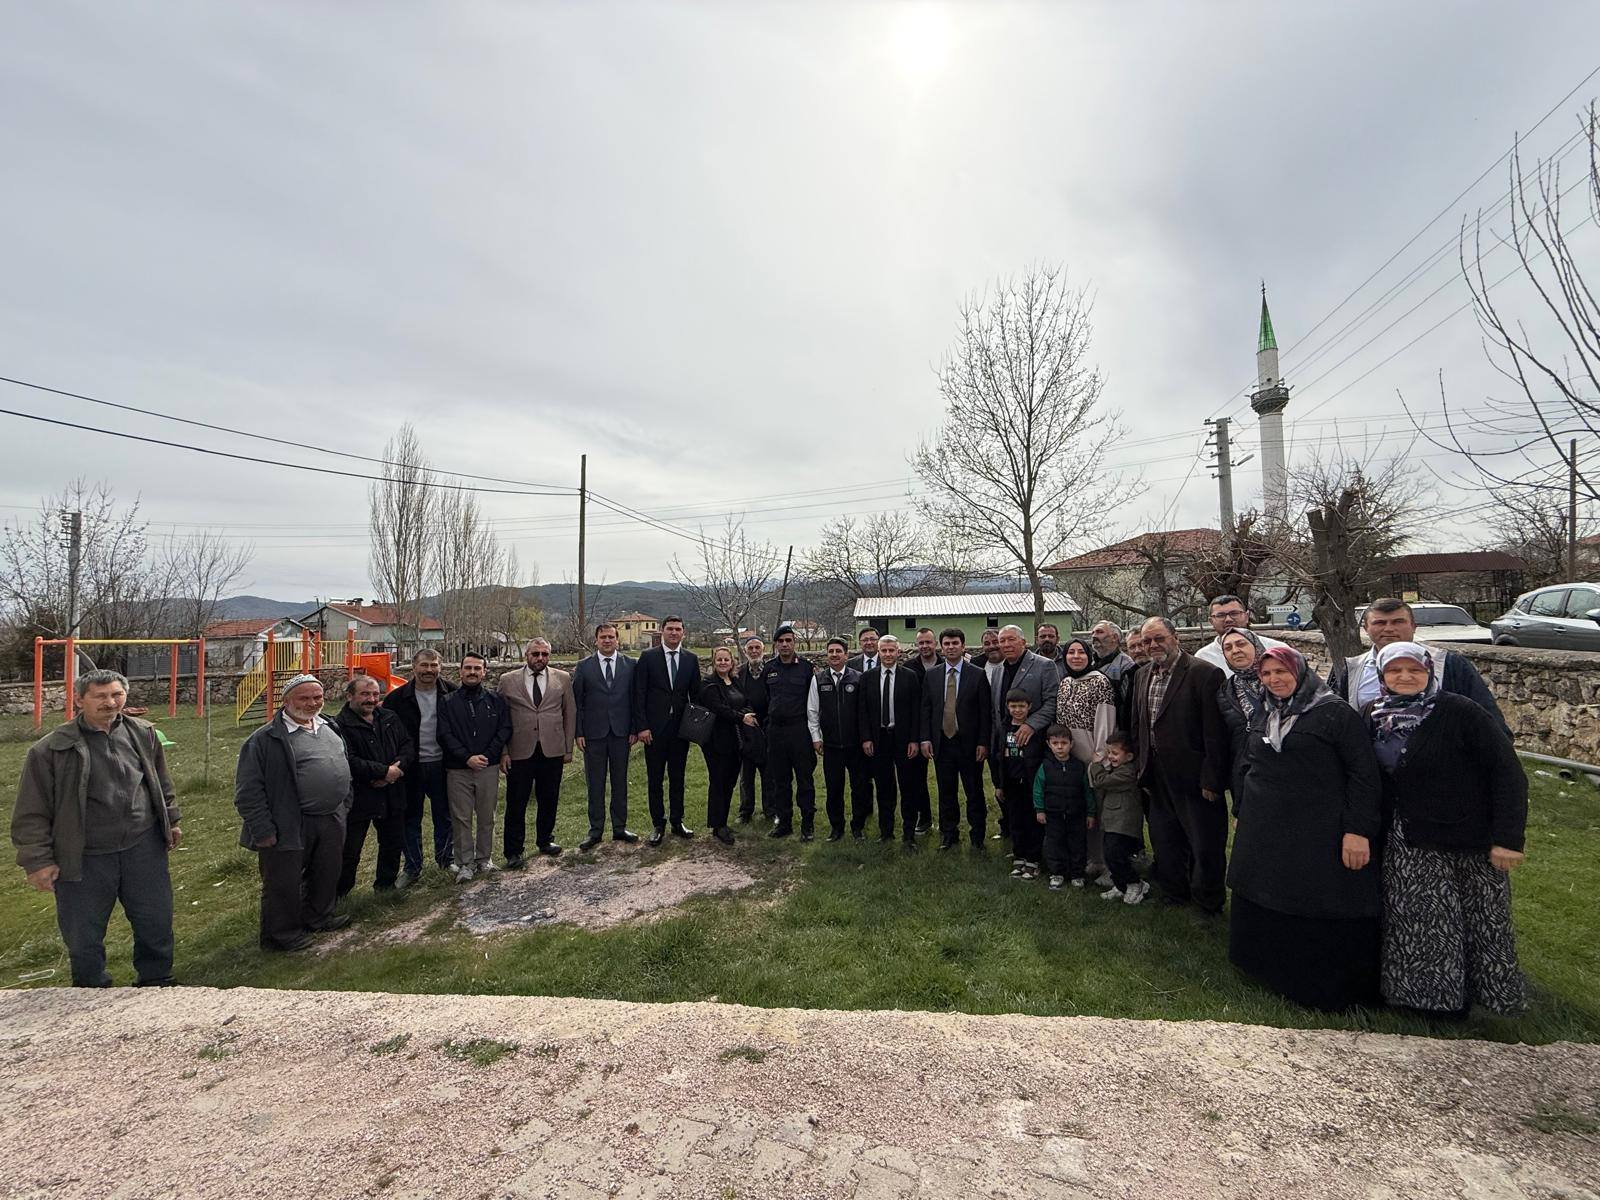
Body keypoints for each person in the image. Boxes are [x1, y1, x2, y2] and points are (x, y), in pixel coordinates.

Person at [1365, 642, 1528, 1016]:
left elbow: (1507, 773)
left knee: (1480, 922)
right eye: (1395, 671)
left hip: (1465, 836)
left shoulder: (1460, 711)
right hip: (1409, 838)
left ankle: (1482, 998)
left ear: (1429, 672)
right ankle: (1426, 1002)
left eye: (1414, 670)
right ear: (1382, 675)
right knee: (1420, 922)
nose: (1405, 677)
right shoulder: (1373, 715)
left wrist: (1508, 838)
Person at [1226, 646, 1382, 1011]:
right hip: (1267, 826)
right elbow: (1250, 761)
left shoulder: (1334, 713)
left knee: (1314, 898)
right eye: (1266, 674)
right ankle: (1266, 968)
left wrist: (1358, 829)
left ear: (1300, 672)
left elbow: (1363, 775)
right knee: (1268, 892)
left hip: (1317, 827)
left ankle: (1314, 983)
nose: (1274, 680)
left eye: (1281, 672)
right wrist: (1243, 808)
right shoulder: (1266, 710)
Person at [12, 669, 180, 986]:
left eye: (117, 694)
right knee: (83, 935)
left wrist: (170, 819)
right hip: (84, 856)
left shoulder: (143, 733)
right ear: (79, 700)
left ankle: (157, 982)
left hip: (142, 847)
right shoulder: (50, 750)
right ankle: (90, 990)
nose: (110, 702)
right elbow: (31, 812)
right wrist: (37, 861)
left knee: (155, 922)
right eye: (100, 696)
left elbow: (160, 782)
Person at [234, 673, 352, 952]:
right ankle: (281, 935)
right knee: (283, 881)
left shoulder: (329, 726)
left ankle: (319, 917)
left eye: (317, 697)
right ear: (286, 701)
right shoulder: (265, 739)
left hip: (331, 816)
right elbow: (248, 791)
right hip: (288, 820)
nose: (312, 703)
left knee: (326, 871)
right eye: (304, 698)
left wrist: (345, 802)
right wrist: (262, 830)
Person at [1129, 617, 1230, 913]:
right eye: (1147, 641)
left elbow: (1215, 733)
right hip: (1156, 774)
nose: (1153, 645)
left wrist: (1212, 779)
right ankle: (1174, 894)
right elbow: (1138, 725)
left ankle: (1207, 904)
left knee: (1204, 843)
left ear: (1175, 637)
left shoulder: (1204, 674)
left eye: (1159, 638)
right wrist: (1141, 766)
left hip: (1194, 776)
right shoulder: (1142, 674)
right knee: (1165, 839)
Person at [1330, 598, 1508, 735]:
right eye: (1380, 623)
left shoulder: (1448, 664)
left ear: (1414, 626)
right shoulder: (1353, 669)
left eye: (1398, 622)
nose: (1389, 628)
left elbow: (1489, 721)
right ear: (1366, 629)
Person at [381, 648, 456, 886]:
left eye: (434, 665)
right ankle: (412, 867)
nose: (429, 670)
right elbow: (386, 735)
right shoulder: (396, 699)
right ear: (414, 667)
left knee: (444, 815)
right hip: (410, 767)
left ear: (440, 667)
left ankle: (446, 859)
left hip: (442, 764)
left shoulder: (452, 693)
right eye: (424, 665)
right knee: (410, 817)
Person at [498, 638, 575, 864]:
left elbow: (569, 713)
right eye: (536, 654)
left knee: (549, 797)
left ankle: (545, 840)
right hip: (519, 750)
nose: (540, 658)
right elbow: (500, 719)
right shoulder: (507, 680)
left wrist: (568, 748)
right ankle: (513, 851)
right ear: (526, 655)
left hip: (552, 749)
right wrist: (503, 751)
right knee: (516, 802)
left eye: (544, 654)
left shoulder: (563, 678)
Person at [334, 675, 413, 896]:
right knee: (350, 849)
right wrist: (383, 772)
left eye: (375, 694)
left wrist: (395, 770)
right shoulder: (339, 725)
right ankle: (340, 894)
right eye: (365, 694)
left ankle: (385, 887)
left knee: (392, 843)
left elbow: (407, 745)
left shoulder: (389, 717)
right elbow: (348, 759)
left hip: (392, 792)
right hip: (360, 795)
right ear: (350, 696)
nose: (371, 699)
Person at [438, 652, 512, 881]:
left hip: (487, 767)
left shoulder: (496, 700)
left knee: (487, 815)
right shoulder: (447, 702)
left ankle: (484, 859)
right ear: (460, 671)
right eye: (468, 668)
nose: (472, 672)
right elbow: (444, 734)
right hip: (458, 769)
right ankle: (465, 863)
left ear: (484, 672)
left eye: (477, 668)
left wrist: (488, 756)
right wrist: (466, 757)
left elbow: (504, 729)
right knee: (461, 818)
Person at [919, 628, 993, 850]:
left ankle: (977, 836)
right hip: (943, 743)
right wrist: (925, 739)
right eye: (947, 644)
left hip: (969, 744)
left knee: (974, 792)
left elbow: (985, 712)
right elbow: (926, 709)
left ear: (963, 646)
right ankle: (949, 835)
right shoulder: (932, 675)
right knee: (946, 792)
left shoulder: (977, 674)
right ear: (941, 647)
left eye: (955, 643)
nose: (951, 647)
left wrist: (983, 742)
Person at [571, 623, 642, 851]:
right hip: (594, 734)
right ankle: (595, 831)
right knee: (595, 783)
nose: (607, 640)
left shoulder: (630, 665)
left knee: (620, 782)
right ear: (596, 640)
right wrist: (579, 732)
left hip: (621, 733)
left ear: (617, 640)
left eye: (611, 637)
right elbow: (578, 703)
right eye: (603, 637)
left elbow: (635, 700)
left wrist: (634, 728)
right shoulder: (584, 666)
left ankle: (620, 827)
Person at [633, 616, 700, 845]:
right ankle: (658, 824)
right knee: (655, 779)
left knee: (678, 778)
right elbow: (639, 694)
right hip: (654, 730)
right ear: (662, 631)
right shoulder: (648, 657)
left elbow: (696, 696)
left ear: (683, 633)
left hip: (680, 731)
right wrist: (642, 726)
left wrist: (694, 728)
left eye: (678, 629)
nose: (673, 632)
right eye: (670, 629)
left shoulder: (691, 659)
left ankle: (677, 821)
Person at [989, 625, 1059, 843]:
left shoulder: (1044, 666)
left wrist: (1030, 725)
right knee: (1009, 791)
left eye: (1011, 639)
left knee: (1032, 794)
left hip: (1032, 742)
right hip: (1005, 741)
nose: (1006, 644)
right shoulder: (999, 669)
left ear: (1023, 641)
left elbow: (1052, 701)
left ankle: (1037, 843)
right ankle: (1015, 836)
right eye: (1002, 641)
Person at [1057, 635, 1118, 881]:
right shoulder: (1065, 683)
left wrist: (1100, 756)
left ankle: (1109, 865)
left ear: (1089, 656)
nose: (1076, 657)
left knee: (1101, 811)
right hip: (1070, 756)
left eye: (1081, 652)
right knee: (1084, 811)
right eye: (1071, 653)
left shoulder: (1100, 682)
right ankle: (1092, 858)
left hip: (1094, 755)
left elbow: (1105, 720)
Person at [858, 634, 924, 845]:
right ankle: (886, 832)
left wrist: (914, 740)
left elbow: (916, 711)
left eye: (891, 650)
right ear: (878, 652)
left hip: (903, 739)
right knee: (884, 787)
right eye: (884, 651)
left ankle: (908, 834)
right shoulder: (867, 677)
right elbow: (863, 711)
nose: (887, 654)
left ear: (898, 652)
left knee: (908, 787)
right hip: (879, 739)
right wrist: (866, 738)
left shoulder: (910, 676)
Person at [757, 625, 818, 839]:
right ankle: (784, 823)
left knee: (804, 779)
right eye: (781, 641)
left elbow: (813, 701)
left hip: (799, 730)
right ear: (775, 644)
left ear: (795, 643)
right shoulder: (769, 669)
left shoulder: (806, 668)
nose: (785, 644)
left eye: (788, 640)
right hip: (776, 731)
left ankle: (807, 825)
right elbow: (765, 698)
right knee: (780, 780)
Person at [808, 637, 870, 840]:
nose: (834, 655)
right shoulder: (818, 679)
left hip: (855, 745)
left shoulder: (858, 678)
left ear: (846, 655)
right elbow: (812, 711)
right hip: (831, 746)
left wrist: (865, 738)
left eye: (838, 651)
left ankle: (858, 827)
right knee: (834, 789)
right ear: (827, 655)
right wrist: (816, 738)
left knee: (859, 788)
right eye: (831, 651)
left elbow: (865, 712)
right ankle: (837, 828)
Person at [698, 647, 754, 845]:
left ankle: (722, 821)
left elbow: (746, 701)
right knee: (718, 782)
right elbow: (719, 709)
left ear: (732, 662)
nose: (723, 663)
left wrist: (745, 713)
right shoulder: (709, 684)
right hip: (716, 742)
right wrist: (742, 717)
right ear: (714, 662)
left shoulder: (735, 681)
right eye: (719, 660)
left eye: (726, 660)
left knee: (730, 781)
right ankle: (717, 825)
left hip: (735, 740)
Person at [1088, 733, 1147, 904]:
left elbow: (1101, 781)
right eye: (1109, 752)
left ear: (1128, 756)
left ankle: (1135, 883)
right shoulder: (1117, 769)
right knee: (1110, 854)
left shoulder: (1127, 773)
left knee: (1115, 854)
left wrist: (1095, 765)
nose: (1110, 757)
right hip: (1113, 822)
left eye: (1115, 753)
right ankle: (1121, 886)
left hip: (1123, 824)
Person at [1215, 628, 1269, 811]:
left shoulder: (1280, 679)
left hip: (1284, 770)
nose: (1235, 650)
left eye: (1241, 644)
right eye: (1228, 648)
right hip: (1246, 775)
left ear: (1256, 646)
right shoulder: (1226, 691)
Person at [1032, 724, 1088, 889]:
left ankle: (1077, 874)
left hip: (1076, 814)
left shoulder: (1079, 766)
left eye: (1064, 743)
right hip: (1053, 814)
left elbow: (1087, 791)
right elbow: (1038, 789)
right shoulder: (1045, 766)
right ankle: (1057, 873)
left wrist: (1090, 813)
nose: (1060, 747)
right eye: (1055, 743)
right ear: (1049, 744)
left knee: (1077, 844)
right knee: (1055, 844)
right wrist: (1040, 810)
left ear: (1071, 744)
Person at [998, 690, 1047, 879]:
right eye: (1013, 706)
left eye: (1021, 706)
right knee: (1015, 820)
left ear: (1029, 707)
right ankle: (1019, 855)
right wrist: (999, 784)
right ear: (1007, 707)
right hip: (1011, 783)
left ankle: (1033, 859)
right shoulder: (1004, 728)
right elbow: (998, 756)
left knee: (1033, 821)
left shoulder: (1036, 730)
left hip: (1031, 783)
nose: (1017, 710)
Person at [1193, 595, 1287, 678]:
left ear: (1246, 616)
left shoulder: (1277, 649)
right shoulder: (1203, 657)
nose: (1228, 619)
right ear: (1211, 621)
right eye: (1220, 615)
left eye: (1234, 613)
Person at [735, 637, 768, 824]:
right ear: (745, 651)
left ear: (763, 650)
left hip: (767, 728)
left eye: (757, 648)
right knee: (746, 775)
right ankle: (745, 811)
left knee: (768, 773)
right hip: (746, 729)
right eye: (750, 648)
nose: (754, 651)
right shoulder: (738, 673)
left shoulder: (771, 670)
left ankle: (770, 809)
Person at [1089, 620, 1137, 728]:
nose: (1094, 636)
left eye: (1099, 632)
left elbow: (1128, 706)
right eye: (1093, 633)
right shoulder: (1089, 663)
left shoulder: (1126, 666)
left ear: (1114, 637)